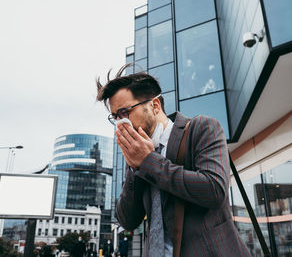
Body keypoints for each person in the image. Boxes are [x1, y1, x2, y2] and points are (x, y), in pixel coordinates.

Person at [96, 65, 251, 256]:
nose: (121, 123)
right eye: (115, 117)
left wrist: (148, 162)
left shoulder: (201, 128)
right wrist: (135, 168)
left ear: (155, 105)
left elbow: (214, 189)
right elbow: (127, 220)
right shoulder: (138, 158)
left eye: (125, 112)